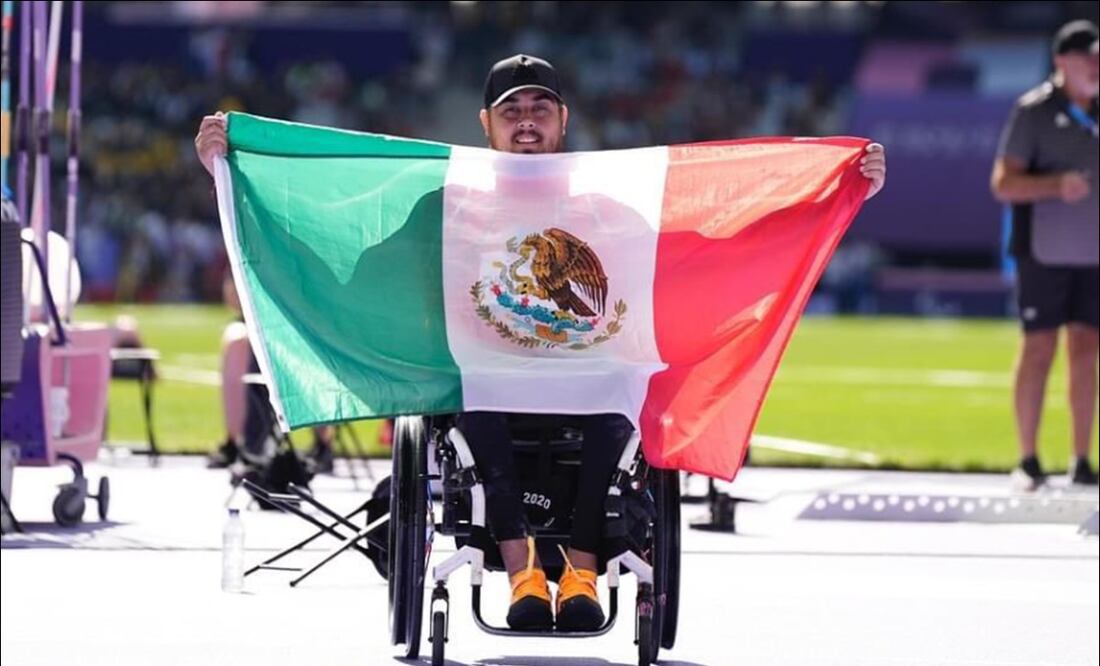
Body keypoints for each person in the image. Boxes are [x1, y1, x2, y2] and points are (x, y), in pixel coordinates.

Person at [194, 53, 887, 630]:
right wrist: (233, 174)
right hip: (482, 379)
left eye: (539, 109)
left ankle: (582, 573)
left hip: (588, 380)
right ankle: (524, 573)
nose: (527, 123)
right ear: (487, 124)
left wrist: (831, 192)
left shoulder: (603, 202)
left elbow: (698, 249)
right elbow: (365, 274)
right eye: (512, 111)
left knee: (620, 392)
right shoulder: (447, 200)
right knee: (482, 392)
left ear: (562, 121)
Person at [991, 20, 1099, 491]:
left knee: (1087, 351)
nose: (1096, 66)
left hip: (1094, 250)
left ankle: (1081, 460)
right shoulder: (1033, 111)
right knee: (1038, 348)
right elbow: (1002, 183)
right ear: (1061, 62)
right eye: (1088, 58)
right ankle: (1028, 459)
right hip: (1042, 249)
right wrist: (1056, 186)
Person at [205, 270, 335, 473]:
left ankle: (323, 444)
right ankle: (235, 442)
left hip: (294, 323)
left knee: (306, 344)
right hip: (261, 322)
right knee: (237, 340)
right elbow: (232, 292)